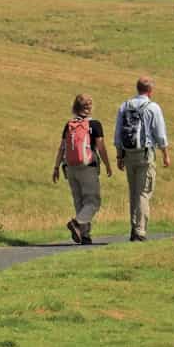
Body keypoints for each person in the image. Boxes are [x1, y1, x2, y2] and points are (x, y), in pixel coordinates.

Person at [114, 75, 171, 242]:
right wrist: (165, 154)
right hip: (145, 154)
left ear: (137, 88)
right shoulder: (153, 107)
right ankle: (140, 231)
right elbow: (160, 135)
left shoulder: (125, 106)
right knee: (144, 192)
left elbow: (118, 134)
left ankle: (134, 228)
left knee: (133, 193)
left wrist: (119, 155)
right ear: (150, 91)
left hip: (128, 153)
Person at [52, 93, 111, 245]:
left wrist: (56, 167)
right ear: (89, 108)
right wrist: (107, 164)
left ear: (75, 107)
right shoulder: (95, 125)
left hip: (70, 167)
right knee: (93, 202)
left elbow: (62, 147)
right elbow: (101, 147)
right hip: (87, 167)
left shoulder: (69, 124)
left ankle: (84, 236)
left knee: (79, 201)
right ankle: (77, 223)